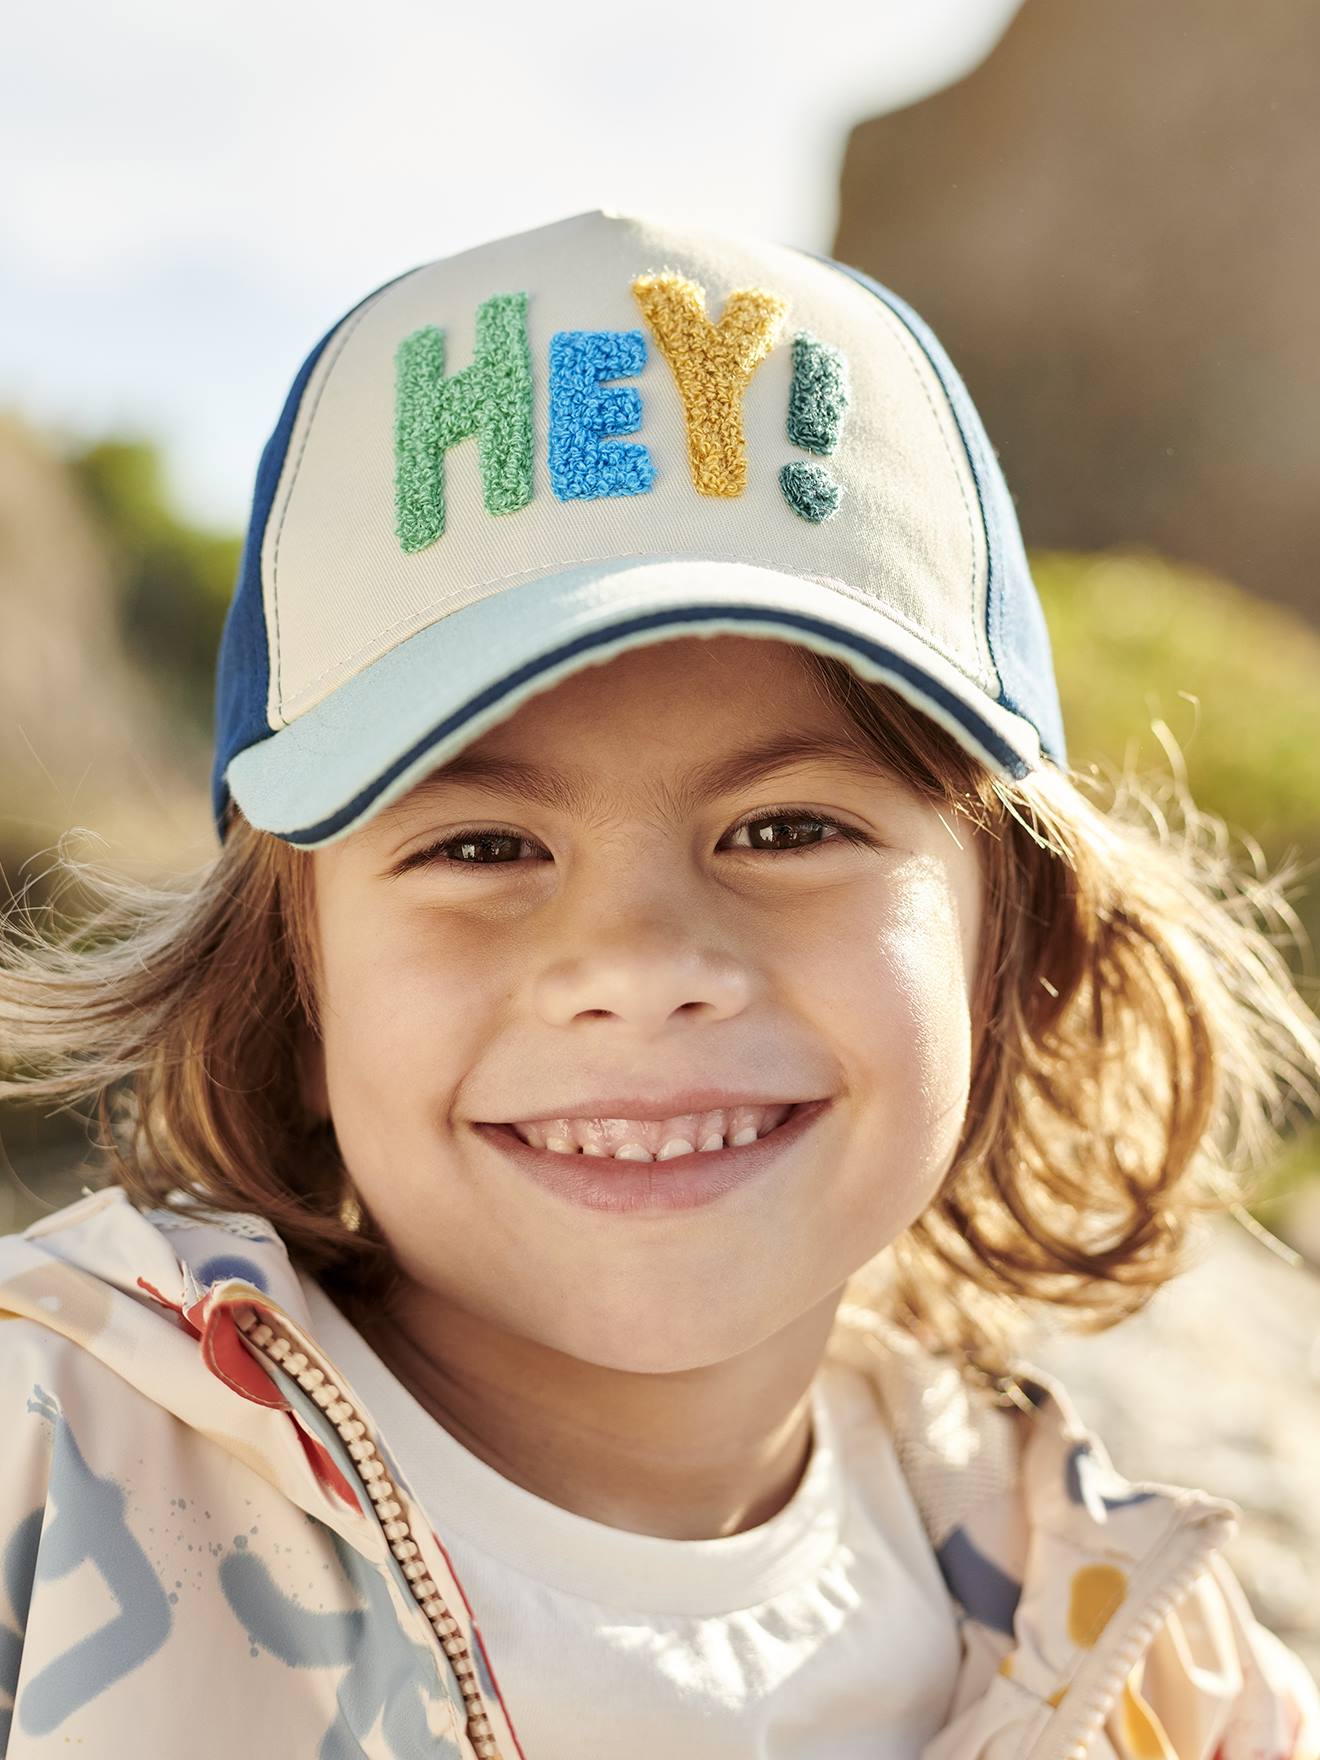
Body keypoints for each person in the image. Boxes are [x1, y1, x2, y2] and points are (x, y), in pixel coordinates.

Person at [1, 210, 1317, 1760]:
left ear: (1008, 949)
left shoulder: (1146, 1652)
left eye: (787, 828)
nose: (636, 968)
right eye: (483, 846)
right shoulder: (47, 1475)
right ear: (289, 997)